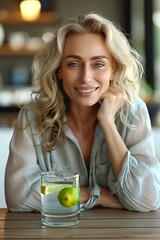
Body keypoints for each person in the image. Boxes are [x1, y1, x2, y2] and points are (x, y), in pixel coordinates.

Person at [5, 12, 160, 212]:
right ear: (59, 69)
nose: (86, 77)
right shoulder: (32, 115)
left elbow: (147, 199)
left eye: (98, 64)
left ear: (113, 68)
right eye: (73, 64)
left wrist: (108, 123)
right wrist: (98, 196)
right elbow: (19, 196)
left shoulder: (133, 111)